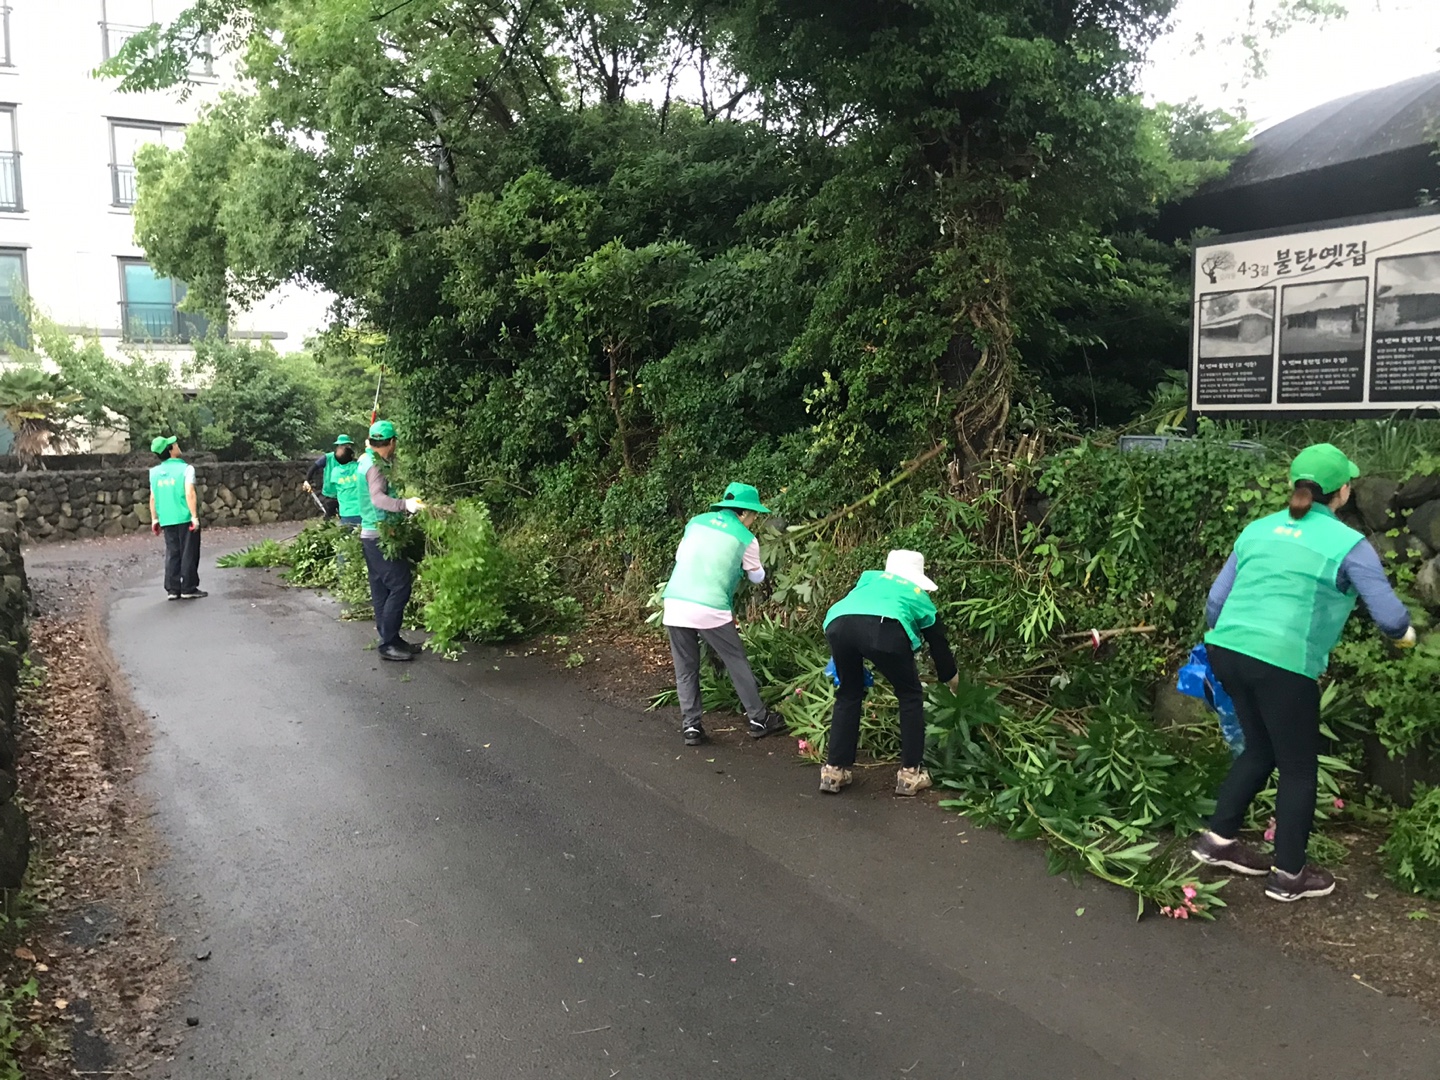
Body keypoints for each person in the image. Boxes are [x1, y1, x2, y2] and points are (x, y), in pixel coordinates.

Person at [1193, 443, 1415, 902]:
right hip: (1283, 663)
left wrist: (1243, 645)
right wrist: (1405, 638)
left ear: (1295, 485)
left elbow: (1215, 603)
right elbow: (1392, 618)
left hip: (1227, 649)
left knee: (1259, 749)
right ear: (1344, 491)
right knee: (1298, 769)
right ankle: (1289, 875)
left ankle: (1216, 842)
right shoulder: (1347, 544)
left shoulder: (1257, 530)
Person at [820, 551, 958, 796]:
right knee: (910, 695)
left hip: (838, 624)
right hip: (885, 629)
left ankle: (833, 770)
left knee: (849, 692)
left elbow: (855, 618)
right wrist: (951, 678)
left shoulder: (869, 582)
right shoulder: (919, 596)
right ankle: (909, 774)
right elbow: (938, 643)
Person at [661, 482, 784, 746]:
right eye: (753, 515)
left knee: (686, 667)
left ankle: (691, 727)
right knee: (735, 660)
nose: (753, 520)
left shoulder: (695, 522)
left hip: (675, 602)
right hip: (710, 606)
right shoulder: (746, 538)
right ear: (743, 513)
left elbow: (680, 555)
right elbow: (756, 577)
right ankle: (759, 719)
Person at [354, 420, 425, 662]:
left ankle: (390, 638)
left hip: (371, 534)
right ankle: (388, 643)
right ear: (392, 442)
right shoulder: (375, 467)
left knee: (381, 589)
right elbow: (377, 499)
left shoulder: (366, 459)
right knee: (400, 584)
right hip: (380, 534)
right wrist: (405, 505)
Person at [148, 435, 206, 600]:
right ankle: (188, 586)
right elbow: (189, 493)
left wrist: (155, 519)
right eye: (174, 444)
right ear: (170, 450)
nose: (177, 445)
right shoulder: (187, 469)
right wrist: (194, 516)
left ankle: (173, 589)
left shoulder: (154, 473)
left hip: (166, 518)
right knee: (189, 551)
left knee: (173, 552)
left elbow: (153, 497)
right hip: (184, 516)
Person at [304, 435, 361, 524]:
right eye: (343, 445)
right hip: (330, 493)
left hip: (345, 495)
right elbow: (314, 467)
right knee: (329, 516)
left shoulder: (353, 462)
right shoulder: (328, 458)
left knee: (343, 516)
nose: (346, 447)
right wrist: (307, 480)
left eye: (347, 446)